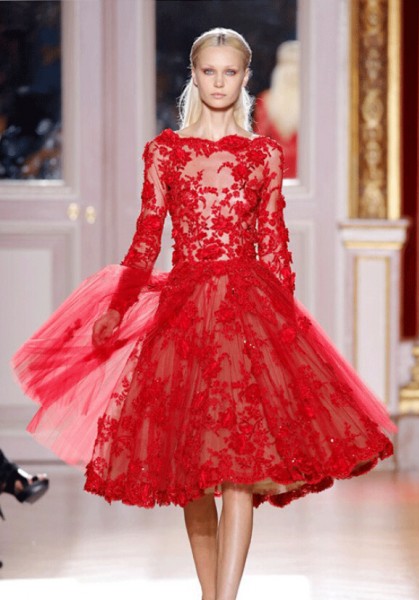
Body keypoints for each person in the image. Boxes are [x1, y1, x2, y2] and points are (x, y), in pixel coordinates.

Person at [11, 28, 396, 600]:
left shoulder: (262, 155)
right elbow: (146, 239)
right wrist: (118, 306)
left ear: (245, 78)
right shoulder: (165, 152)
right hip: (184, 316)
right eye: (209, 71)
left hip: (247, 315)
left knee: (240, 469)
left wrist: (286, 327)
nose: (219, 82)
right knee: (190, 474)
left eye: (230, 72)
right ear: (194, 75)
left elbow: (275, 246)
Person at [253, 40, 299, 178]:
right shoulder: (266, 101)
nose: (292, 72)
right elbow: (259, 146)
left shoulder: (313, 105)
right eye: (288, 66)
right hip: (275, 177)